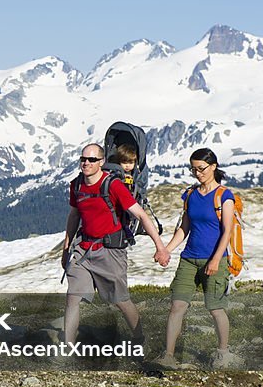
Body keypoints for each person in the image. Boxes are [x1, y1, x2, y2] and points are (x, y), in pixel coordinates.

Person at [62, 144, 170, 347]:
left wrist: (160, 247)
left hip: (110, 252)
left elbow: (140, 214)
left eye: (92, 160)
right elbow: (74, 215)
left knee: (120, 300)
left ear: (101, 162)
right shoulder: (76, 185)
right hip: (83, 249)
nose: (86, 163)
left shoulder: (113, 185)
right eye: (83, 159)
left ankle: (139, 339)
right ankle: (67, 349)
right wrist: (67, 249)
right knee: (73, 297)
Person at [153, 148, 240, 370]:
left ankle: (223, 353)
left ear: (213, 167)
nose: (197, 173)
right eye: (193, 169)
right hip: (189, 259)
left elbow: (227, 231)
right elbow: (184, 227)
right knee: (176, 306)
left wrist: (215, 260)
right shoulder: (190, 195)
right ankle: (169, 355)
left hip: (215, 261)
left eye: (201, 169)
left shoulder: (224, 196)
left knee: (215, 308)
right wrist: (167, 250)